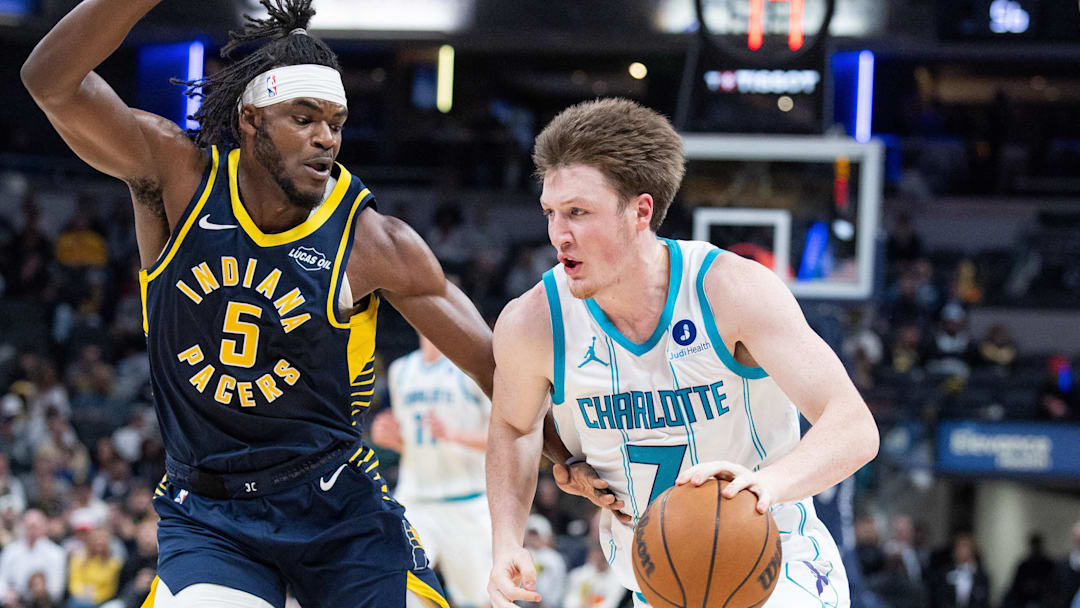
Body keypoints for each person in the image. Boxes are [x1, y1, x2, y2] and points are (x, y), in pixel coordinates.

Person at [21, 1, 494, 606]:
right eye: (304, 118)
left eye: (336, 122)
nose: (327, 137)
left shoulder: (372, 240)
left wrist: (575, 460)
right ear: (250, 120)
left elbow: (491, 365)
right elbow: (49, 82)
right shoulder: (177, 179)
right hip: (212, 513)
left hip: (336, 507)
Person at [485, 98, 879, 608]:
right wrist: (506, 541)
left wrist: (765, 485)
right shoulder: (532, 321)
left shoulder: (730, 291)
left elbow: (853, 425)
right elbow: (514, 426)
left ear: (640, 211)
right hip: (658, 580)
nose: (558, 234)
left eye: (579, 213)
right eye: (551, 213)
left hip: (777, 562)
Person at [370, 332, 492, 608]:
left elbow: (502, 441)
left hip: (466, 501)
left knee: (480, 599)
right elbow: (413, 443)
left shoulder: (472, 368)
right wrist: (390, 438)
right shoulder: (401, 370)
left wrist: (453, 435)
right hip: (415, 501)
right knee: (400, 591)